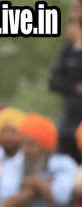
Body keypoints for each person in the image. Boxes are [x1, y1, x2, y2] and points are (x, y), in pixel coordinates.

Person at [48, 16, 82, 163]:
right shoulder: (68, 48)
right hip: (68, 126)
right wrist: (74, 87)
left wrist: (79, 46)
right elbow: (53, 82)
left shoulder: (76, 46)